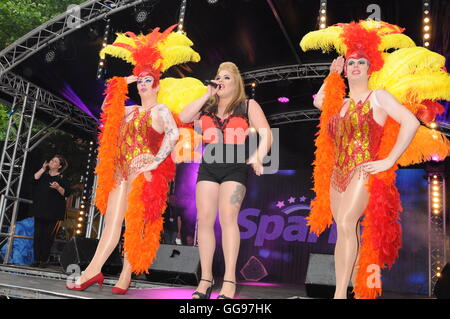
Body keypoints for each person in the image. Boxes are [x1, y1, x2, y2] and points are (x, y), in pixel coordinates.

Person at [300, 20, 450, 299]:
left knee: (345, 223)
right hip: (335, 173)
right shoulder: (340, 103)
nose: (355, 66)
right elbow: (318, 102)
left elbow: (410, 122)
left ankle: (339, 294)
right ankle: (356, 290)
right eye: (350, 62)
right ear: (345, 68)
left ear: (371, 68)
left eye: (361, 62)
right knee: (346, 228)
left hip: (364, 169)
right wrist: (331, 76)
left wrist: (389, 159)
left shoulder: (378, 97)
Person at [66, 25, 203, 294]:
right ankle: (96, 271)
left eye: (146, 80)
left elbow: (173, 135)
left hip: (144, 172)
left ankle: (117, 275)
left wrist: (155, 161)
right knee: (112, 223)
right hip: (121, 170)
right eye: (139, 81)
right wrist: (125, 81)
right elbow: (107, 109)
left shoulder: (161, 109)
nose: (142, 84)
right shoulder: (129, 110)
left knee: (135, 225)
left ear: (157, 83)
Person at [179, 62, 272, 299]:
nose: (220, 80)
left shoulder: (248, 105)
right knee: (205, 220)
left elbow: (266, 133)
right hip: (209, 168)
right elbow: (184, 116)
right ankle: (206, 279)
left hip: (235, 168)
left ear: (236, 83)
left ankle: (230, 279)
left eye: (226, 78)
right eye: (218, 76)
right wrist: (206, 94)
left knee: (229, 218)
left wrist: (259, 157)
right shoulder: (207, 107)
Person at [29, 155, 69, 268]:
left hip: (54, 213)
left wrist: (58, 188)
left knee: (48, 237)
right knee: (38, 235)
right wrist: (43, 168)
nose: (51, 162)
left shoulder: (62, 178)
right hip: (40, 210)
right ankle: (36, 260)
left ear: (59, 166)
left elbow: (67, 193)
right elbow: (33, 179)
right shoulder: (44, 175)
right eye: (51, 160)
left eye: (55, 161)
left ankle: (44, 260)